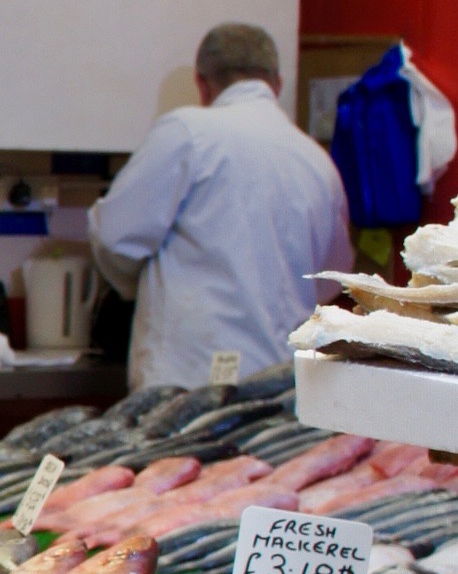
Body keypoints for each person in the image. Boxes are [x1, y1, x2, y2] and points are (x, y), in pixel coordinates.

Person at [90, 22, 352, 389]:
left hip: (189, 380)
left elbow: (114, 236)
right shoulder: (316, 161)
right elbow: (332, 277)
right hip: (282, 382)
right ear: (277, 84)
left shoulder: (187, 132)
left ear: (202, 84)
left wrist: (135, 285)